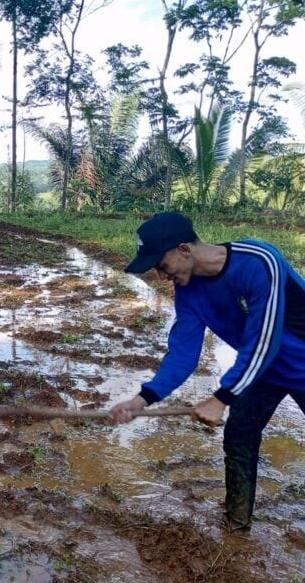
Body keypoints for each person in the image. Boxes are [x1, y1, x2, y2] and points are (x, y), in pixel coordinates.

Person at [109, 212, 305, 534]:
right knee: (239, 440)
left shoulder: (259, 261)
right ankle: (237, 530)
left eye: (162, 266)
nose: (161, 276)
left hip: (294, 365)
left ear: (184, 250)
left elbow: (264, 341)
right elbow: (182, 355)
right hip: (263, 373)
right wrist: (141, 400)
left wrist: (221, 397)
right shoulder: (189, 292)